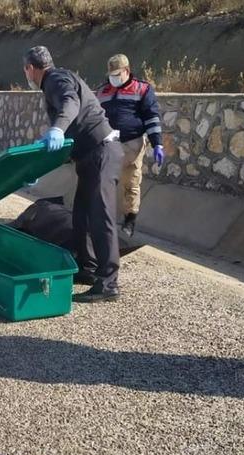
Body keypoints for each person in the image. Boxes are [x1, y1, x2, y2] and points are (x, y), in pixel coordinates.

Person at [23, 46, 123, 303]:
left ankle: (108, 283)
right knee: (82, 215)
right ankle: (89, 270)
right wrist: (37, 168)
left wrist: (57, 128)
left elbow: (71, 103)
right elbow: (66, 142)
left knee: (101, 218)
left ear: (31, 69)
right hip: (89, 156)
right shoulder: (57, 80)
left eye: (26, 70)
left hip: (102, 151)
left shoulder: (56, 80)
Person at [96, 54, 164, 237]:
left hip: (132, 144)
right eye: (111, 74)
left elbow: (151, 117)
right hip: (109, 144)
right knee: (103, 182)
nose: (114, 78)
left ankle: (129, 221)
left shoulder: (142, 89)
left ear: (126, 71)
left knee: (131, 183)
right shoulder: (102, 91)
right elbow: (94, 118)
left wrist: (157, 143)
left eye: (117, 74)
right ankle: (102, 220)